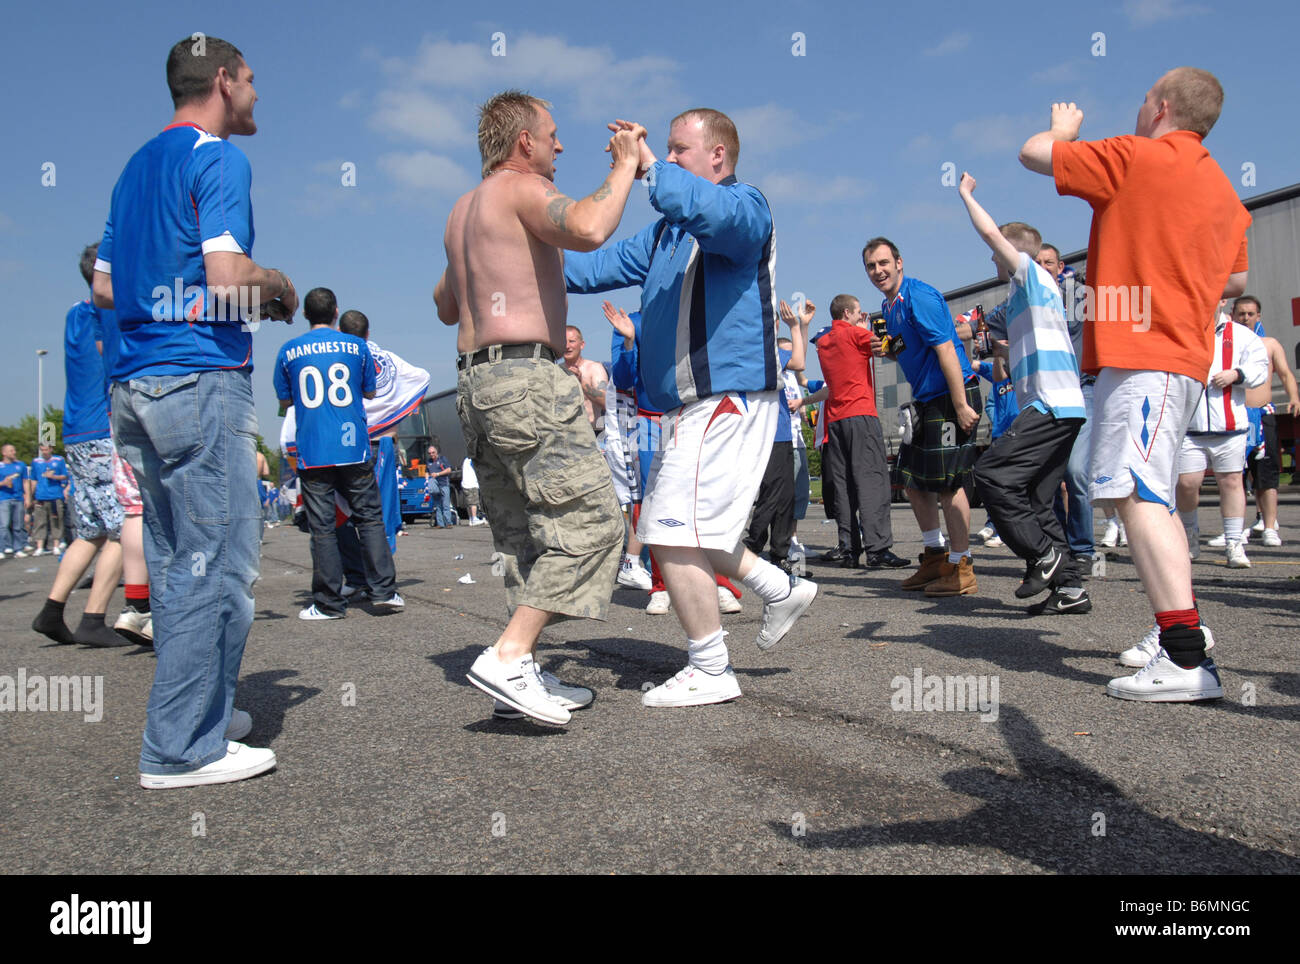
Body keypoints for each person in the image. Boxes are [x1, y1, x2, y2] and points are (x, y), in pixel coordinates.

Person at [566, 107, 818, 708]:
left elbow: (715, 213)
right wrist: (526, 243)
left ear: (718, 158)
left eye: (680, 149)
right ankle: (777, 587)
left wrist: (649, 167)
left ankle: (711, 667)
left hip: (725, 396)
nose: (669, 158)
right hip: (688, 405)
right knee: (697, 528)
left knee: (667, 527)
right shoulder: (666, 234)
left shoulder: (745, 204)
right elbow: (593, 265)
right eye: (667, 150)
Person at [94, 35, 294, 787]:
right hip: (199, 376)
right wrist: (274, 285)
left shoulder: (132, 170)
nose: (254, 94)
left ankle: (203, 712)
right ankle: (181, 749)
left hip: (133, 387)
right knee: (221, 568)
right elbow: (224, 279)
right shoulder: (216, 157)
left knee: (181, 563)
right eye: (250, 80)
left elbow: (109, 291)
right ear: (221, 80)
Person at [1019, 69, 1251, 699]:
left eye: (1146, 97)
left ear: (1164, 107)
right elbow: (1232, 283)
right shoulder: (1225, 191)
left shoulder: (1137, 155)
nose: (1140, 105)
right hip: (1182, 357)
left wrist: (1063, 131)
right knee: (1141, 494)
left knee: (1141, 495)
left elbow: (1034, 153)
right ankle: (1177, 632)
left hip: (1143, 355)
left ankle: (1185, 657)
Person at [434, 90, 638, 725]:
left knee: (527, 538)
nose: (559, 146)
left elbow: (445, 305)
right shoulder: (518, 187)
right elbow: (587, 226)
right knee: (595, 525)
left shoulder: (462, 210)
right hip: (525, 378)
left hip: (475, 384)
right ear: (524, 142)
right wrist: (625, 161)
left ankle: (517, 674)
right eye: (551, 135)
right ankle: (509, 652)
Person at [958, 176, 1089, 614]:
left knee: (993, 473)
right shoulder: (1017, 298)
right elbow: (986, 339)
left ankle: (1044, 555)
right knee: (1036, 498)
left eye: (996, 252)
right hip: (1059, 407)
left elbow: (991, 233)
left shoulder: (1032, 276)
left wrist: (967, 196)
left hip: (1051, 405)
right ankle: (1071, 589)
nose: (991, 257)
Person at [274, 288, 401, 619]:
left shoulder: (289, 350)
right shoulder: (357, 347)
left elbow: (285, 400)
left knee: (324, 527)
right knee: (370, 517)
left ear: (305, 314)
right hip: (354, 445)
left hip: (313, 449)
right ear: (336, 312)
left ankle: (329, 603)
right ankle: (384, 591)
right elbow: (371, 390)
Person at [865, 238, 981, 596]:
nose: (878, 271)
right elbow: (904, 345)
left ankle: (962, 566)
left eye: (884, 263)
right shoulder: (890, 306)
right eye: (871, 266)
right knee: (912, 480)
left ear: (899, 262)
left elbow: (945, 347)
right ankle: (935, 558)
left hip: (950, 394)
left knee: (949, 483)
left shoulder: (920, 297)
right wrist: (886, 348)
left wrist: (960, 404)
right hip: (926, 399)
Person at [31, 243, 131, 648]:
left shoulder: (75, 311)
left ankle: (52, 611)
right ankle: (93, 618)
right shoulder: (104, 311)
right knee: (126, 527)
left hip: (74, 431)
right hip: (100, 429)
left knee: (89, 530)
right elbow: (114, 356)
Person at [812, 294, 908, 571]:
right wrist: (882, 331)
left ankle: (848, 550)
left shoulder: (823, 342)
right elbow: (889, 347)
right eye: (857, 312)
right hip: (861, 414)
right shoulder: (855, 334)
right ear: (846, 313)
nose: (860, 315)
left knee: (843, 488)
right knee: (872, 482)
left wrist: (862, 328)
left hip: (836, 420)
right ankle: (878, 550)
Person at [1175, 306, 1267, 567]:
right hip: (1190, 428)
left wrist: (1237, 374)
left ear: (1223, 300)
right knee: (1187, 484)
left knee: (1231, 482)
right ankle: (1191, 535)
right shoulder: (1182, 331)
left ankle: (1234, 544)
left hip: (1230, 427)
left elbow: (1260, 368)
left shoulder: (1241, 335)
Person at [1037, 243, 1097, 569]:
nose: (1044, 267)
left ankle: (1084, 550)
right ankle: (1059, 549)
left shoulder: (1078, 296)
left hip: (1082, 389)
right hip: (1046, 395)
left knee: (1075, 472)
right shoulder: (1029, 299)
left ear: (1060, 267)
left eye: (1049, 263)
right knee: (1049, 477)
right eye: (1038, 263)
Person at [744, 300, 811, 572]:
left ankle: (779, 551)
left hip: (778, 430)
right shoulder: (759, 351)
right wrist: (795, 326)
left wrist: (800, 327)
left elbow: (798, 360)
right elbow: (799, 360)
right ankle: (752, 545)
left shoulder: (761, 350)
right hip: (765, 432)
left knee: (785, 494)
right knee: (773, 493)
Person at [1236, 296, 1299, 546]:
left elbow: (1285, 373)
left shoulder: (1269, 344)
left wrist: (1294, 397)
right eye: (1241, 313)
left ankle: (1270, 526)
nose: (1246, 318)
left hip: (1263, 414)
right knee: (1234, 476)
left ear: (1258, 316)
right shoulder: (1226, 345)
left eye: (1250, 314)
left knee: (1267, 473)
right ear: (1233, 314)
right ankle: (1235, 530)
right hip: (1236, 415)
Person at [563, 325, 610, 436]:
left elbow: (606, 402)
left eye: (572, 341)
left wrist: (581, 382)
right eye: (563, 342)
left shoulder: (594, 368)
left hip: (593, 434)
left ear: (582, 345)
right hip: (564, 437)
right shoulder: (555, 371)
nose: (567, 346)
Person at [27, 444, 67, 555]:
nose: (44, 452)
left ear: (51, 449)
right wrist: (31, 496)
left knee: (56, 521)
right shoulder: (36, 462)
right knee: (40, 521)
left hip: (55, 495)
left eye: (46, 449)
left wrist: (53, 477)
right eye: (42, 450)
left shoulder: (59, 460)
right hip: (41, 495)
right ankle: (40, 547)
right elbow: (33, 479)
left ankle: (56, 545)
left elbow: (65, 476)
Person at [0, 445, 31, 557]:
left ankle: (18, 548)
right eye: (11, 450)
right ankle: (2, 548)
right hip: (3, 499)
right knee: (3, 525)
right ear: (4, 453)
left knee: (18, 525)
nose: (14, 452)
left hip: (18, 498)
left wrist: (28, 497)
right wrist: (3, 483)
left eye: (14, 450)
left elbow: (25, 482)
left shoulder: (20, 465)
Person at [425, 443, 456, 528]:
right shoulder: (429, 462)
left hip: (443, 484)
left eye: (433, 452)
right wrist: (427, 479)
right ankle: (440, 524)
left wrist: (438, 474)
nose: (431, 454)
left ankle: (448, 523)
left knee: (446, 504)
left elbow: (449, 469)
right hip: (435, 486)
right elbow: (427, 471)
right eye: (430, 453)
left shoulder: (442, 459)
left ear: (436, 452)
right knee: (437, 504)